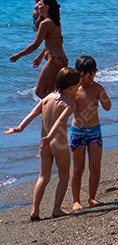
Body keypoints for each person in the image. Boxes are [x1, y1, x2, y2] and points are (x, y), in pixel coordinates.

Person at [5, 66, 81, 220]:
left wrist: (19, 128)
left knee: (43, 176)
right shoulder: (70, 103)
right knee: (64, 175)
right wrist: (51, 135)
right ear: (71, 87)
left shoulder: (46, 98)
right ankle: (57, 209)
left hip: (44, 143)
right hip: (58, 143)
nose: (78, 89)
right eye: (77, 87)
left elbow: (32, 114)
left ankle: (35, 210)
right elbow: (60, 121)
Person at [69, 55, 111, 211]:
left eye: (92, 75)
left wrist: (103, 95)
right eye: (86, 76)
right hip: (77, 133)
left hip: (94, 132)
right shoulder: (73, 90)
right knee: (77, 168)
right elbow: (63, 106)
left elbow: (108, 107)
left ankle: (92, 197)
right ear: (78, 74)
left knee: (95, 167)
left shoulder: (97, 88)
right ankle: (76, 200)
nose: (89, 79)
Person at [11, 0, 68, 99]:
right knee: (51, 91)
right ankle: (60, 106)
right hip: (62, 59)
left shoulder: (45, 23)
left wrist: (18, 55)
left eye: (40, 5)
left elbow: (35, 45)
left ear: (47, 7)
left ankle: (60, 106)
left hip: (54, 61)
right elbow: (52, 43)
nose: (38, 7)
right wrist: (40, 57)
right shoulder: (55, 21)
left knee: (39, 92)